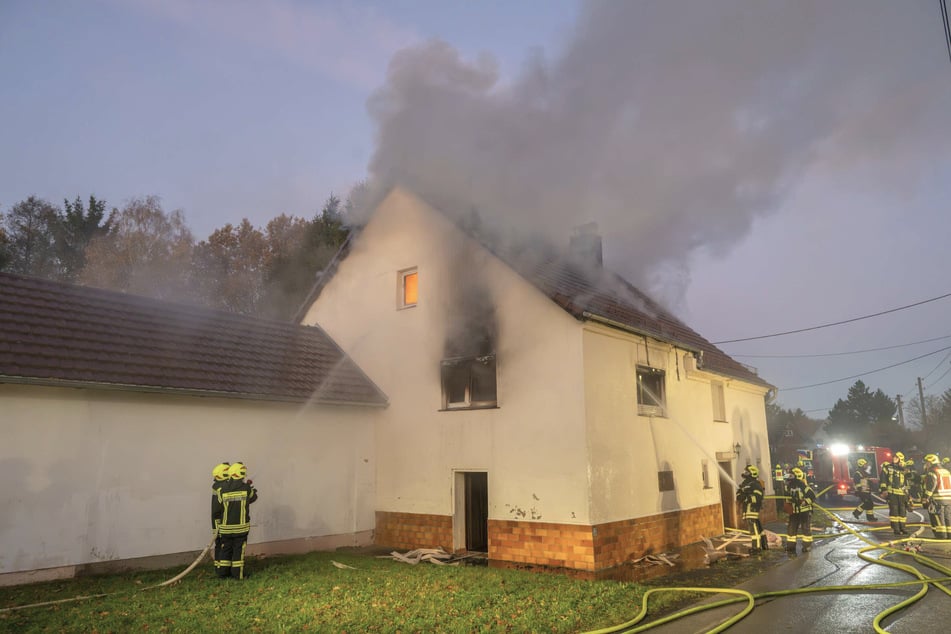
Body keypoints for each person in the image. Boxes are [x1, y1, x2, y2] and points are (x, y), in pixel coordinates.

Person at [213, 461, 258, 579]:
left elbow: (218, 507)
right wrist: (249, 485)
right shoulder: (246, 488)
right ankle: (238, 574)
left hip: (226, 528)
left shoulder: (222, 490)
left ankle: (223, 573)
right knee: (238, 551)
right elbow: (253, 497)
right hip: (241, 528)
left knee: (226, 549)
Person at [784, 467, 817, 554]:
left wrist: (804, 502)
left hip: (804, 511)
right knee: (791, 528)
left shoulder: (804, 486)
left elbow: (812, 497)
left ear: (797, 476)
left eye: (791, 475)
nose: (789, 477)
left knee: (805, 529)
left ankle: (807, 546)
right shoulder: (789, 487)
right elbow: (787, 498)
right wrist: (788, 504)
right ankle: (790, 546)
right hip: (794, 511)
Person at [737, 465, 767, 551]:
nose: (744, 474)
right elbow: (739, 493)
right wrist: (740, 496)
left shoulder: (755, 484)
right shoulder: (745, 483)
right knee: (758, 528)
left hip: (752, 509)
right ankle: (764, 545)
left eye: (747, 472)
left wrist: (747, 498)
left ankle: (756, 547)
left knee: (753, 530)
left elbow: (758, 496)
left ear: (752, 473)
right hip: (747, 509)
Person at [921, 454, 951, 540]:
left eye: (927, 463)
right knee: (948, 517)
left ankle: (941, 535)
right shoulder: (946, 471)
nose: (926, 465)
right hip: (948, 499)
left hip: (938, 500)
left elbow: (931, 486)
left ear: (931, 462)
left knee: (938, 517)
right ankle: (949, 535)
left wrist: (925, 498)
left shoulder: (932, 472)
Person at [879, 451, 909, 535]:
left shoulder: (904, 469)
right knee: (894, 511)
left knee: (902, 512)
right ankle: (896, 529)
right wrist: (883, 490)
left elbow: (908, 480)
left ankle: (903, 528)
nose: (894, 458)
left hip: (902, 494)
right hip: (892, 493)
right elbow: (883, 479)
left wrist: (905, 469)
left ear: (901, 459)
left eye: (896, 457)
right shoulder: (887, 467)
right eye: (894, 457)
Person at [211, 462, 230, 574]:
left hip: (217, 523)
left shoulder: (218, 486)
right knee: (223, 546)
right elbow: (218, 510)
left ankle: (219, 568)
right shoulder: (222, 488)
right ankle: (222, 570)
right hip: (221, 523)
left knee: (219, 545)